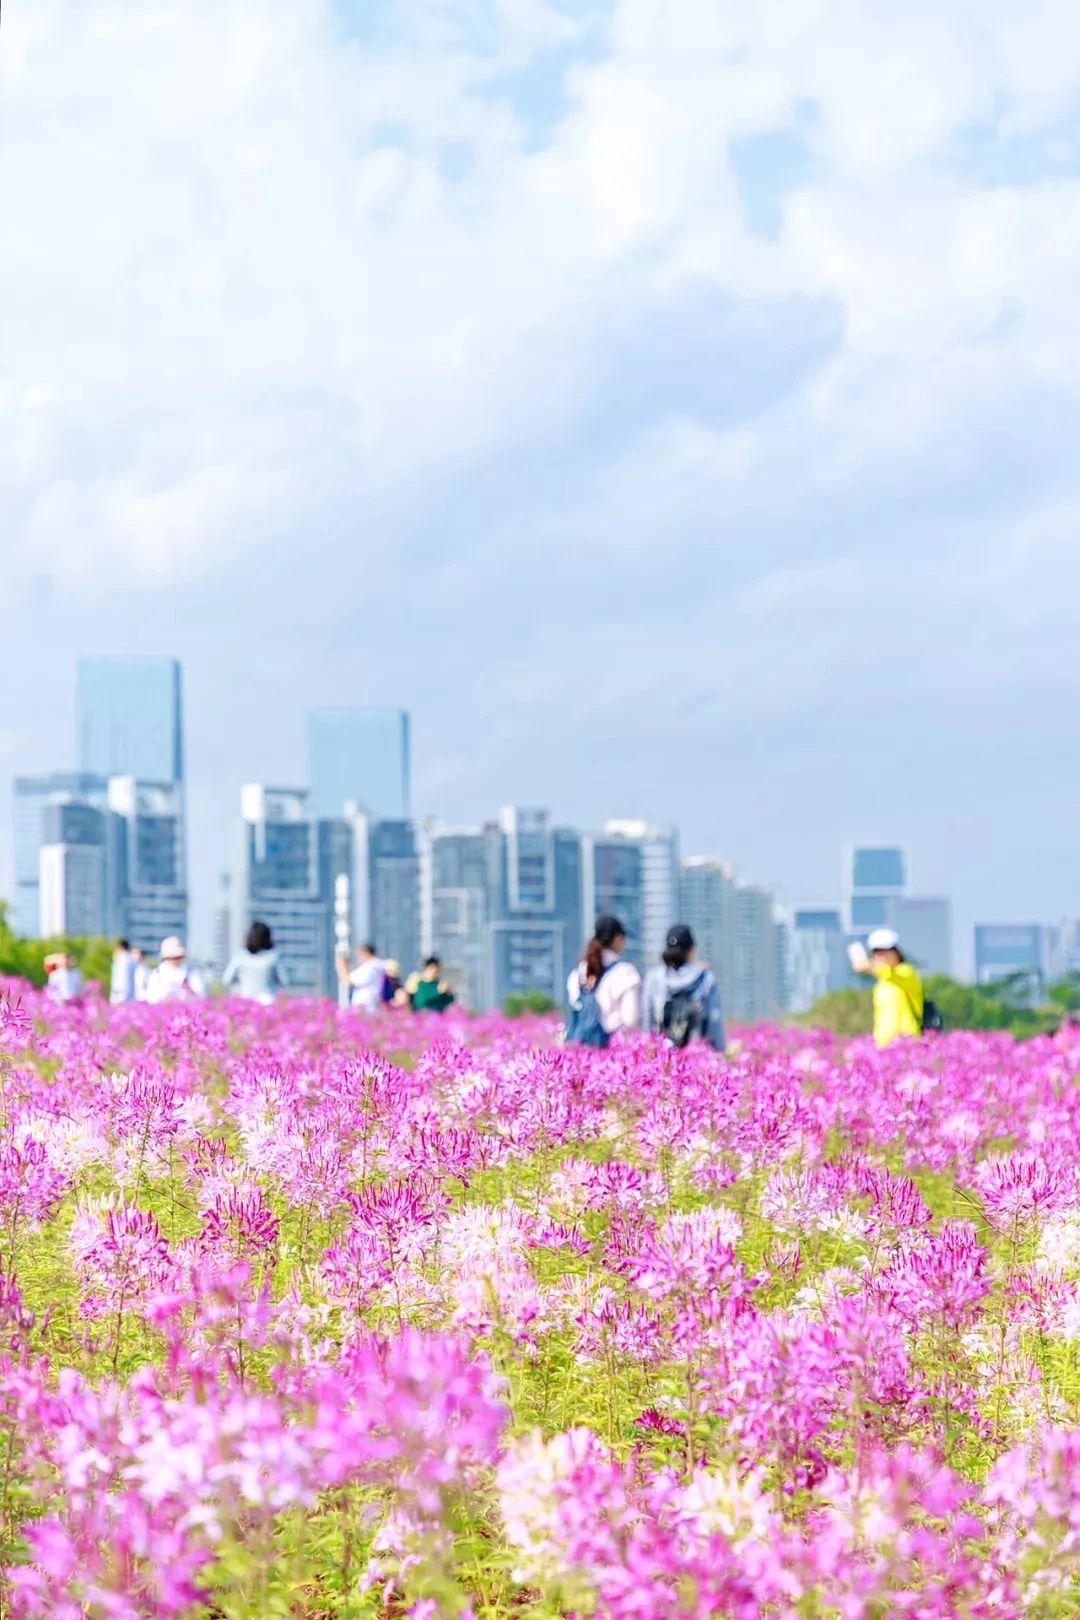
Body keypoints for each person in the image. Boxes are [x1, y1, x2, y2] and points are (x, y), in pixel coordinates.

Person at [643, 924, 726, 1050]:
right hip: (697, 1054)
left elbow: (647, 1018)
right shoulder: (705, 978)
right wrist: (719, 1050)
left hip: (663, 1053)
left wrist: (649, 1050)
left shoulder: (653, 978)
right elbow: (714, 1019)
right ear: (691, 949)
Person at [565, 915, 642, 1046]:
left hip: (580, 1047)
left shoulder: (578, 972)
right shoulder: (626, 972)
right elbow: (630, 1020)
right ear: (617, 938)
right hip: (611, 1048)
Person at [850, 927, 924, 1047]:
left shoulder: (907, 972)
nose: (882, 957)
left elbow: (887, 972)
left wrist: (867, 966)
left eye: (886, 951)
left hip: (907, 1042)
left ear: (896, 952)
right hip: (883, 1043)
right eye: (877, 953)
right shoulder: (881, 984)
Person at [222, 921, 287, 1005]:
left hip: (245, 1001)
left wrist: (238, 986)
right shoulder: (274, 956)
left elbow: (226, 979)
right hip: (267, 1002)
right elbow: (285, 980)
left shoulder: (240, 956)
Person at [146, 937, 207, 1004]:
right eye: (172, 958)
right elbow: (151, 998)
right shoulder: (157, 973)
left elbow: (201, 995)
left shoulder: (191, 972)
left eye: (178, 957)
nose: (176, 960)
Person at [337, 943, 386, 1013]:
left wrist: (340, 964)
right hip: (373, 1006)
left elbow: (347, 982)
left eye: (359, 955)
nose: (359, 958)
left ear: (366, 953)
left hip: (365, 1008)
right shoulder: (380, 965)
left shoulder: (370, 967)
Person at [110, 939, 137, 1005]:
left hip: (120, 995)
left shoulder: (124, 960)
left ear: (121, 947)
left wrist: (118, 998)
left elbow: (123, 980)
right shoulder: (130, 959)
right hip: (127, 995)